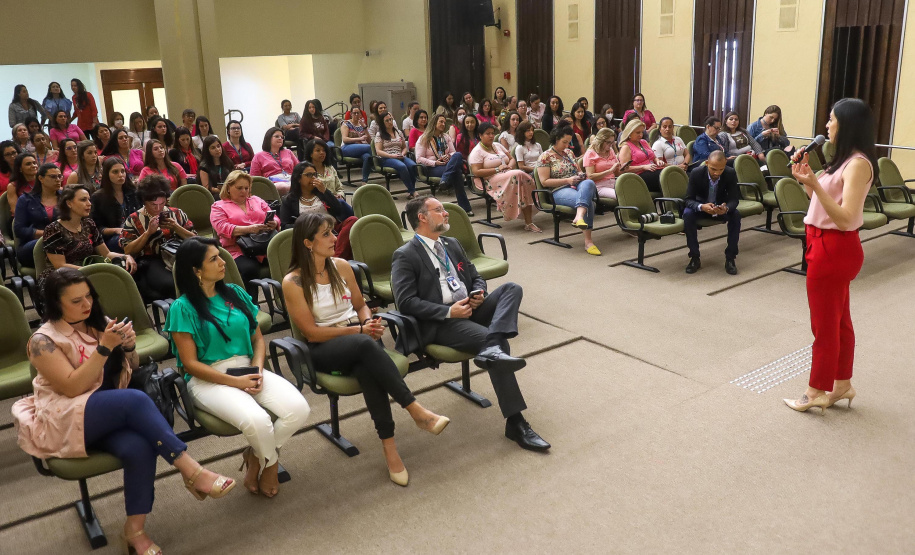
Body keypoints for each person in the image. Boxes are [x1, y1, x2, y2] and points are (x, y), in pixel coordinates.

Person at [13, 268, 235, 555]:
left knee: (139, 447)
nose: (87, 305)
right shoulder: (42, 341)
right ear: (56, 305)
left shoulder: (97, 323)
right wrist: (104, 348)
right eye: (76, 301)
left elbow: (130, 366)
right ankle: (192, 471)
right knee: (135, 401)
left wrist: (129, 346)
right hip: (66, 417)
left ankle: (135, 530)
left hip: (108, 411)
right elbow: (72, 387)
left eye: (89, 296)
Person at [282, 212, 448, 484]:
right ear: (307, 242)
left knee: (367, 367)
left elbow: (360, 305)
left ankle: (390, 448)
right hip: (323, 348)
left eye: (332, 232)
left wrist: (368, 321)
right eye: (326, 234)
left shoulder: (341, 266)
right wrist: (361, 331)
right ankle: (416, 411)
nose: (335, 238)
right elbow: (310, 333)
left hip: (358, 342)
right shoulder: (294, 281)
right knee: (364, 346)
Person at [392, 196, 550, 451]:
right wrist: (448, 311)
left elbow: (475, 277)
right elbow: (406, 302)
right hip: (441, 322)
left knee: (511, 288)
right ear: (422, 217)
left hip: (468, 307)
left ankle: (493, 345)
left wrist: (478, 295)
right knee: (494, 345)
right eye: (439, 210)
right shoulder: (406, 255)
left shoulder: (451, 244)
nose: (446, 213)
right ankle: (516, 422)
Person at [165, 237, 310, 497]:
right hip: (207, 379)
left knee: (298, 409)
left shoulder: (235, 292)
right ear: (196, 271)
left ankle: (255, 455)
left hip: (246, 367)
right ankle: (269, 465)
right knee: (258, 420)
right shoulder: (182, 308)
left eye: (221, 256)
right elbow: (189, 364)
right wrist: (237, 383)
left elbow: (257, 338)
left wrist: (256, 368)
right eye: (214, 259)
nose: (223, 262)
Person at [784, 98, 875, 414]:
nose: (826, 125)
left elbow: (847, 217)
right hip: (823, 242)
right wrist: (808, 179)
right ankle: (841, 384)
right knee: (838, 321)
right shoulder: (843, 160)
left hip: (834, 246)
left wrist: (815, 186)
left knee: (824, 326)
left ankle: (815, 391)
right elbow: (821, 202)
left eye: (832, 119)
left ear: (846, 124)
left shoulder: (859, 163)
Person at [38, 184, 136, 290]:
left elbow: (106, 253)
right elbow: (60, 265)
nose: (89, 204)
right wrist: (92, 272)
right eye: (83, 200)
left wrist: (126, 256)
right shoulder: (53, 229)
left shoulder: (89, 224)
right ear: (69, 203)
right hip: (60, 279)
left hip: (88, 273)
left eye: (89, 199)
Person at [120, 174, 195, 302]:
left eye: (162, 203)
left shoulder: (176, 213)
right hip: (152, 259)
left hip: (178, 255)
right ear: (144, 201)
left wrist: (177, 228)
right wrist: (148, 233)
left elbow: (195, 239)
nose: (158, 208)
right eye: (154, 204)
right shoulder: (134, 219)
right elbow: (128, 250)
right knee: (171, 284)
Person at [537, 126, 600, 255]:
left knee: (589, 182)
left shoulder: (569, 153)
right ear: (556, 139)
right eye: (564, 142)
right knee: (588, 202)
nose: (567, 145)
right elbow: (544, 182)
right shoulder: (545, 157)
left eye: (568, 142)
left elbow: (578, 170)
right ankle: (588, 242)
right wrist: (567, 180)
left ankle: (578, 216)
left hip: (576, 185)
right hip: (558, 190)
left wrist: (580, 175)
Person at [210, 171, 280, 287]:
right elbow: (222, 228)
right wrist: (249, 229)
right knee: (249, 269)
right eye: (239, 188)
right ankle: (251, 304)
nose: (244, 191)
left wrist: (274, 223)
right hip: (237, 249)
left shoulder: (256, 200)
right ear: (228, 188)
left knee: (287, 260)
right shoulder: (218, 206)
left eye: (246, 188)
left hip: (264, 245)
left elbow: (276, 217)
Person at [279, 162, 357, 259]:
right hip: (313, 234)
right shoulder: (289, 200)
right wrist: (310, 224)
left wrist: (325, 191)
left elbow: (338, 210)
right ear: (298, 179)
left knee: (353, 220)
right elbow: (284, 226)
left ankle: (336, 257)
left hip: (333, 229)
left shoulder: (321, 193)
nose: (313, 178)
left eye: (315, 175)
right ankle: (337, 258)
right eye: (309, 175)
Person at [469, 123, 539, 231]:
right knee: (519, 175)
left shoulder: (497, 145)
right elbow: (476, 172)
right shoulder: (477, 152)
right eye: (488, 134)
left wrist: (509, 167)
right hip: (489, 179)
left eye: (492, 133)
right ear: (480, 135)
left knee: (521, 178)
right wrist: (497, 169)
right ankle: (517, 215)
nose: (491, 136)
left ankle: (529, 222)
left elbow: (511, 159)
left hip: (507, 174)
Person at [682, 151, 741, 275]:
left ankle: (730, 258)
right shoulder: (696, 173)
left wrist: (726, 208)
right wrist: (701, 206)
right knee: (688, 214)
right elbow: (688, 199)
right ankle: (694, 257)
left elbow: (734, 199)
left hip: (719, 208)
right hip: (702, 208)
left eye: (721, 169)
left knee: (735, 214)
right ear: (707, 163)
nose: (716, 173)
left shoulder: (730, 173)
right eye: (713, 169)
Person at [415, 113, 473, 213]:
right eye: (441, 122)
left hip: (447, 165)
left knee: (458, 155)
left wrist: (449, 156)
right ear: (434, 123)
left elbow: (453, 152)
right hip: (431, 168)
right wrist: (435, 163)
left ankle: (445, 179)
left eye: (444, 122)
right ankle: (466, 208)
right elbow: (419, 159)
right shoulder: (424, 138)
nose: (443, 124)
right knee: (457, 173)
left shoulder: (446, 137)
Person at [14, 163, 62, 267]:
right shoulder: (25, 200)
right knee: (50, 243)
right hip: (33, 245)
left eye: (59, 176)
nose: (58, 179)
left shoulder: (66, 198)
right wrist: (48, 234)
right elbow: (19, 229)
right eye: (53, 177)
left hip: (63, 241)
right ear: (41, 178)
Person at [91, 157, 141, 253]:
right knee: (122, 240)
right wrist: (116, 230)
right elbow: (96, 229)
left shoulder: (133, 192)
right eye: (115, 172)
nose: (120, 175)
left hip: (135, 233)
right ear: (107, 175)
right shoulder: (98, 197)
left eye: (123, 171)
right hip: (112, 238)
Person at [302, 138, 353, 217]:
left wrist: (340, 195)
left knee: (342, 205)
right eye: (318, 150)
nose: (322, 153)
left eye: (324, 150)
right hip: (319, 205)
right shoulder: (307, 172)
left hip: (336, 202)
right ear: (310, 154)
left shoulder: (330, 168)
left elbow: (339, 187)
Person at [374, 113, 418, 198]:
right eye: (387, 120)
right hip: (386, 158)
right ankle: (413, 191)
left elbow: (404, 147)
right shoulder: (380, 134)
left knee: (413, 165)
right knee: (402, 166)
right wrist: (392, 156)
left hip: (400, 156)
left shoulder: (398, 132)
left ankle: (410, 191)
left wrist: (402, 153)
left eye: (390, 119)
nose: (390, 122)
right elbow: (378, 151)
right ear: (382, 123)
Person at [618, 118, 666, 192]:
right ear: (630, 133)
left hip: (653, 171)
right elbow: (624, 169)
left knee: (670, 173)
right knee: (665, 177)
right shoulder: (626, 147)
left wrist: (657, 161)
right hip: (639, 176)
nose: (641, 135)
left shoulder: (644, 142)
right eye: (637, 133)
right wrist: (643, 167)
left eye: (642, 132)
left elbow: (653, 157)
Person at [250, 127, 299, 196]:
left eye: (282, 137)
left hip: (290, 180)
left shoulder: (288, 152)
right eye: (277, 136)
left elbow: (299, 168)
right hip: (272, 184)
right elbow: (254, 178)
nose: (280, 138)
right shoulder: (259, 156)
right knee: (283, 186)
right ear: (269, 138)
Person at [583, 128, 621, 199]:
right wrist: (610, 171)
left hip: (613, 183)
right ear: (601, 141)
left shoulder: (610, 151)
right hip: (599, 186)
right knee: (623, 196)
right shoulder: (590, 154)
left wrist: (621, 168)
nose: (611, 145)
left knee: (632, 191)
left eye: (612, 142)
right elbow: (590, 176)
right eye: (608, 142)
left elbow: (616, 173)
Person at [299, 100, 334, 166]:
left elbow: (326, 130)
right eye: (309, 108)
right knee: (325, 148)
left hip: (324, 140)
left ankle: (332, 168)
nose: (312, 109)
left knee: (332, 146)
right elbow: (302, 133)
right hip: (312, 141)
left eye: (313, 107)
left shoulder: (321, 117)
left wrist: (324, 139)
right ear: (307, 109)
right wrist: (313, 137)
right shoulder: (304, 120)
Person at [6, 152, 38, 217]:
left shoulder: (43, 181)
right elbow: (15, 209)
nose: (33, 166)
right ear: (20, 168)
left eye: (34, 163)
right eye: (28, 164)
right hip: (24, 219)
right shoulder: (12, 186)